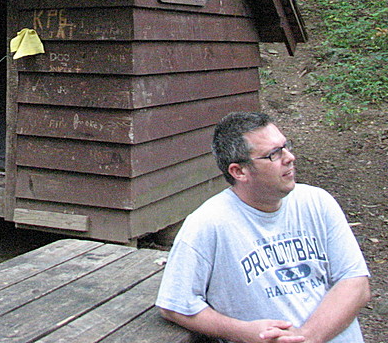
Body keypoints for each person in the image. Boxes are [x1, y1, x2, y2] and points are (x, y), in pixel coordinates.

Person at [156, 112, 370, 343]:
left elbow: (355, 283)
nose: (289, 157)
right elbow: (174, 304)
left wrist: (307, 337)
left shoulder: (318, 202)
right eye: (274, 154)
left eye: (285, 147)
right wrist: (242, 332)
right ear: (239, 171)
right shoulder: (208, 224)